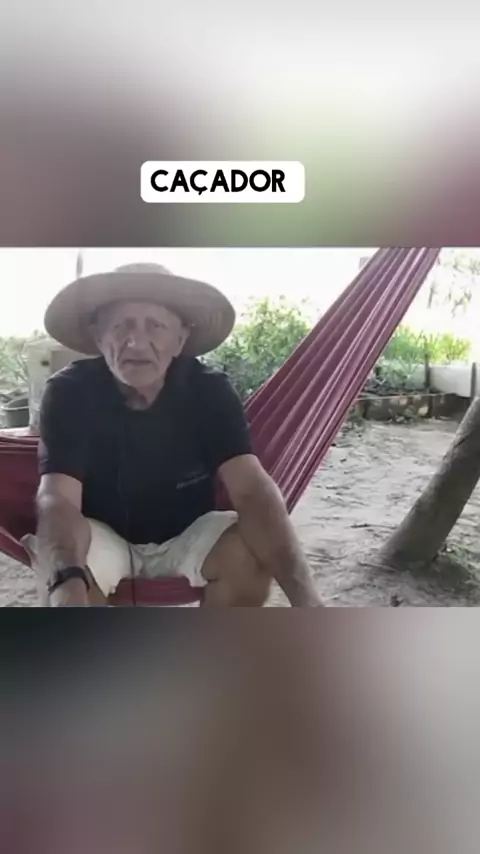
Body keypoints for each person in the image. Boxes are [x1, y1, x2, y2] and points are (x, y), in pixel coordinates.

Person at [30, 262, 322, 607]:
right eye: (121, 325)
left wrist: (307, 600)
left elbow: (250, 489)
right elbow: (59, 499)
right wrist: (65, 583)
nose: (136, 342)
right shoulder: (70, 392)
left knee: (250, 552)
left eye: (155, 326)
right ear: (98, 337)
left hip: (188, 534)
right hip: (103, 535)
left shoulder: (208, 390)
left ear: (180, 339)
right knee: (62, 566)